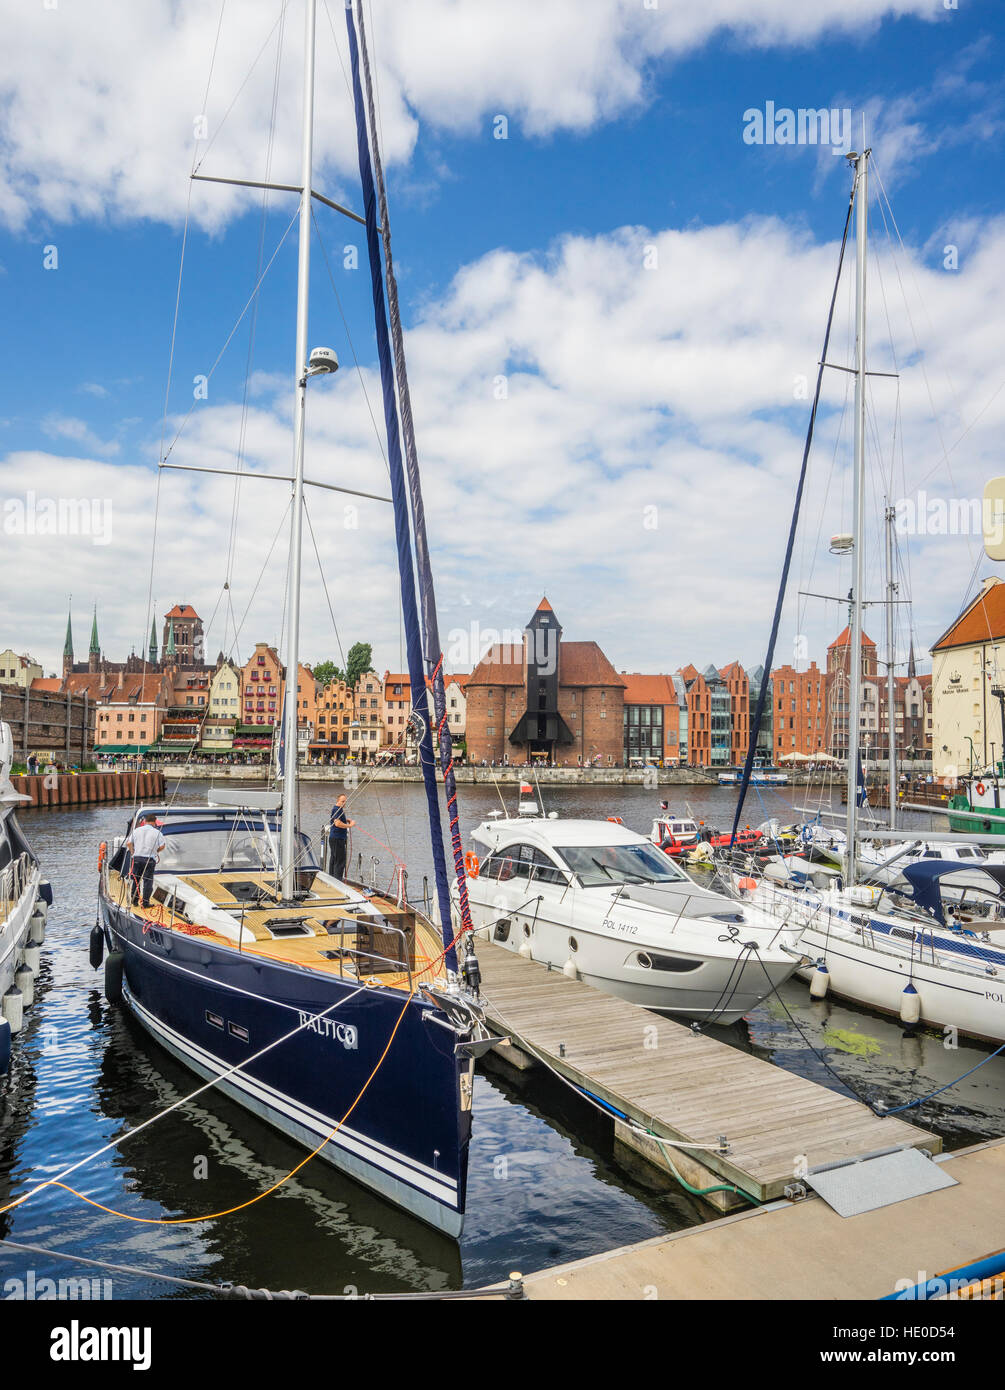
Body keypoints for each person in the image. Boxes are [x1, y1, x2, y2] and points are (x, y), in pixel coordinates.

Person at [126, 813, 165, 909]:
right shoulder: (157, 833)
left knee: (136, 880)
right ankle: (145, 903)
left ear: (145, 821)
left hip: (137, 858)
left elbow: (129, 843)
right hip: (149, 859)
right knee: (147, 882)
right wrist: (155, 851)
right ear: (154, 822)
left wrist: (132, 852)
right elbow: (162, 846)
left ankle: (134, 901)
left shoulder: (136, 831)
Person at [328, 793, 355, 880]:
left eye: (345, 801)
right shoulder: (337, 809)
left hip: (334, 838)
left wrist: (346, 820)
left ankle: (331, 879)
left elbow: (337, 819)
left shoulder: (337, 809)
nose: (344, 803)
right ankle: (337, 881)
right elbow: (337, 823)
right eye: (342, 801)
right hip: (337, 838)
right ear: (338, 801)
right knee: (340, 861)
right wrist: (350, 826)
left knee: (334, 859)